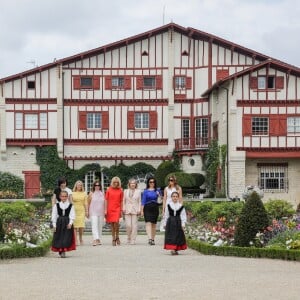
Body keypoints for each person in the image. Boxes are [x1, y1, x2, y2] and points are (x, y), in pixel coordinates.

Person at [51, 190, 76, 258]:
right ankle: (60, 250)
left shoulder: (71, 205)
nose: (64, 198)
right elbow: (54, 215)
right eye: (62, 196)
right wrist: (54, 225)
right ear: (60, 197)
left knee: (66, 236)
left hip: (67, 222)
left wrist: (70, 223)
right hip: (59, 222)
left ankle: (64, 250)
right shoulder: (57, 205)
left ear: (67, 197)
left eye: (65, 196)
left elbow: (72, 215)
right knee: (59, 236)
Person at [163, 191, 187, 255]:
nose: (175, 198)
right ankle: (173, 249)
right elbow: (166, 215)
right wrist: (165, 223)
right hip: (170, 222)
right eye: (173, 196)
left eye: (176, 196)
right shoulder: (168, 206)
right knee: (171, 235)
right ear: (171, 197)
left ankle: (176, 249)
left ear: (178, 197)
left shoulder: (181, 206)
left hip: (178, 222)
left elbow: (183, 215)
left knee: (178, 236)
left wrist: (183, 224)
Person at [141, 177, 161, 245]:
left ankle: (153, 239)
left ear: (155, 183)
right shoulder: (145, 191)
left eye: (153, 182)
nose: (152, 183)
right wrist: (141, 211)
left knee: (154, 224)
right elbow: (143, 201)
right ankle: (149, 239)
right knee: (148, 223)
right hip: (147, 208)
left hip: (155, 207)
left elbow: (161, 200)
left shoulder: (157, 190)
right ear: (148, 183)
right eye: (150, 182)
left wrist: (159, 194)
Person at [105, 176, 123, 246]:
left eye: (117, 182)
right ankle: (113, 238)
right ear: (112, 182)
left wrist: (121, 210)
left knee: (116, 223)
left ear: (119, 183)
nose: (116, 183)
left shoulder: (120, 190)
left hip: (117, 208)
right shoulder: (109, 190)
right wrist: (105, 210)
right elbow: (106, 200)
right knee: (112, 224)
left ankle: (117, 236)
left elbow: (121, 201)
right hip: (110, 208)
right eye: (114, 182)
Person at [122, 179, 142, 245]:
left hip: (135, 210)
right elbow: (123, 201)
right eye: (131, 183)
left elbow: (140, 201)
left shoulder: (138, 191)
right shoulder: (125, 191)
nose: (133, 184)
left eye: (134, 183)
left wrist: (139, 209)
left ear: (136, 184)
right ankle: (128, 237)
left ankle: (133, 239)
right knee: (128, 225)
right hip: (127, 210)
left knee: (134, 226)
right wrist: (123, 208)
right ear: (129, 184)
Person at [87, 180, 105, 246]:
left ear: (100, 186)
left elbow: (105, 203)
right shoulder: (91, 193)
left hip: (101, 212)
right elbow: (88, 203)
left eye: (98, 185)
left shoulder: (102, 193)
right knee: (94, 225)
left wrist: (105, 211)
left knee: (100, 226)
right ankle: (95, 239)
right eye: (96, 185)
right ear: (94, 186)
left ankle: (99, 239)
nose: (97, 187)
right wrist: (87, 212)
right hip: (93, 212)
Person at [72, 180, 88, 245]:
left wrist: (87, 211)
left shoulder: (84, 193)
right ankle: (76, 240)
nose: (79, 186)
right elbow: (71, 201)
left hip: (82, 210)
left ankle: (81, 238)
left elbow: (86, 203)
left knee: (81, 226)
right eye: (78, 185)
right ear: (76, 186)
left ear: (82, 186)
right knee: (75, 226)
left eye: (81, 185)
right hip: (74, 210)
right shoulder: (72, 193)